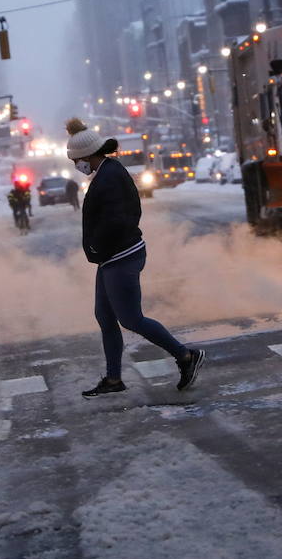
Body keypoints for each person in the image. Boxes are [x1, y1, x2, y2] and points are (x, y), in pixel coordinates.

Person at [65, 118, 204, 397]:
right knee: (105, 317)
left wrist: (97, 247)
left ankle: (186, 356)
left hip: (120, 256)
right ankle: (114, 379)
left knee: (130, 318)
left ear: (86, 156)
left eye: (75, 161)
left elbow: (117, 220)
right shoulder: (108, 172)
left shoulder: (109, 177)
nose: (75, 166)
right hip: (111, 258)